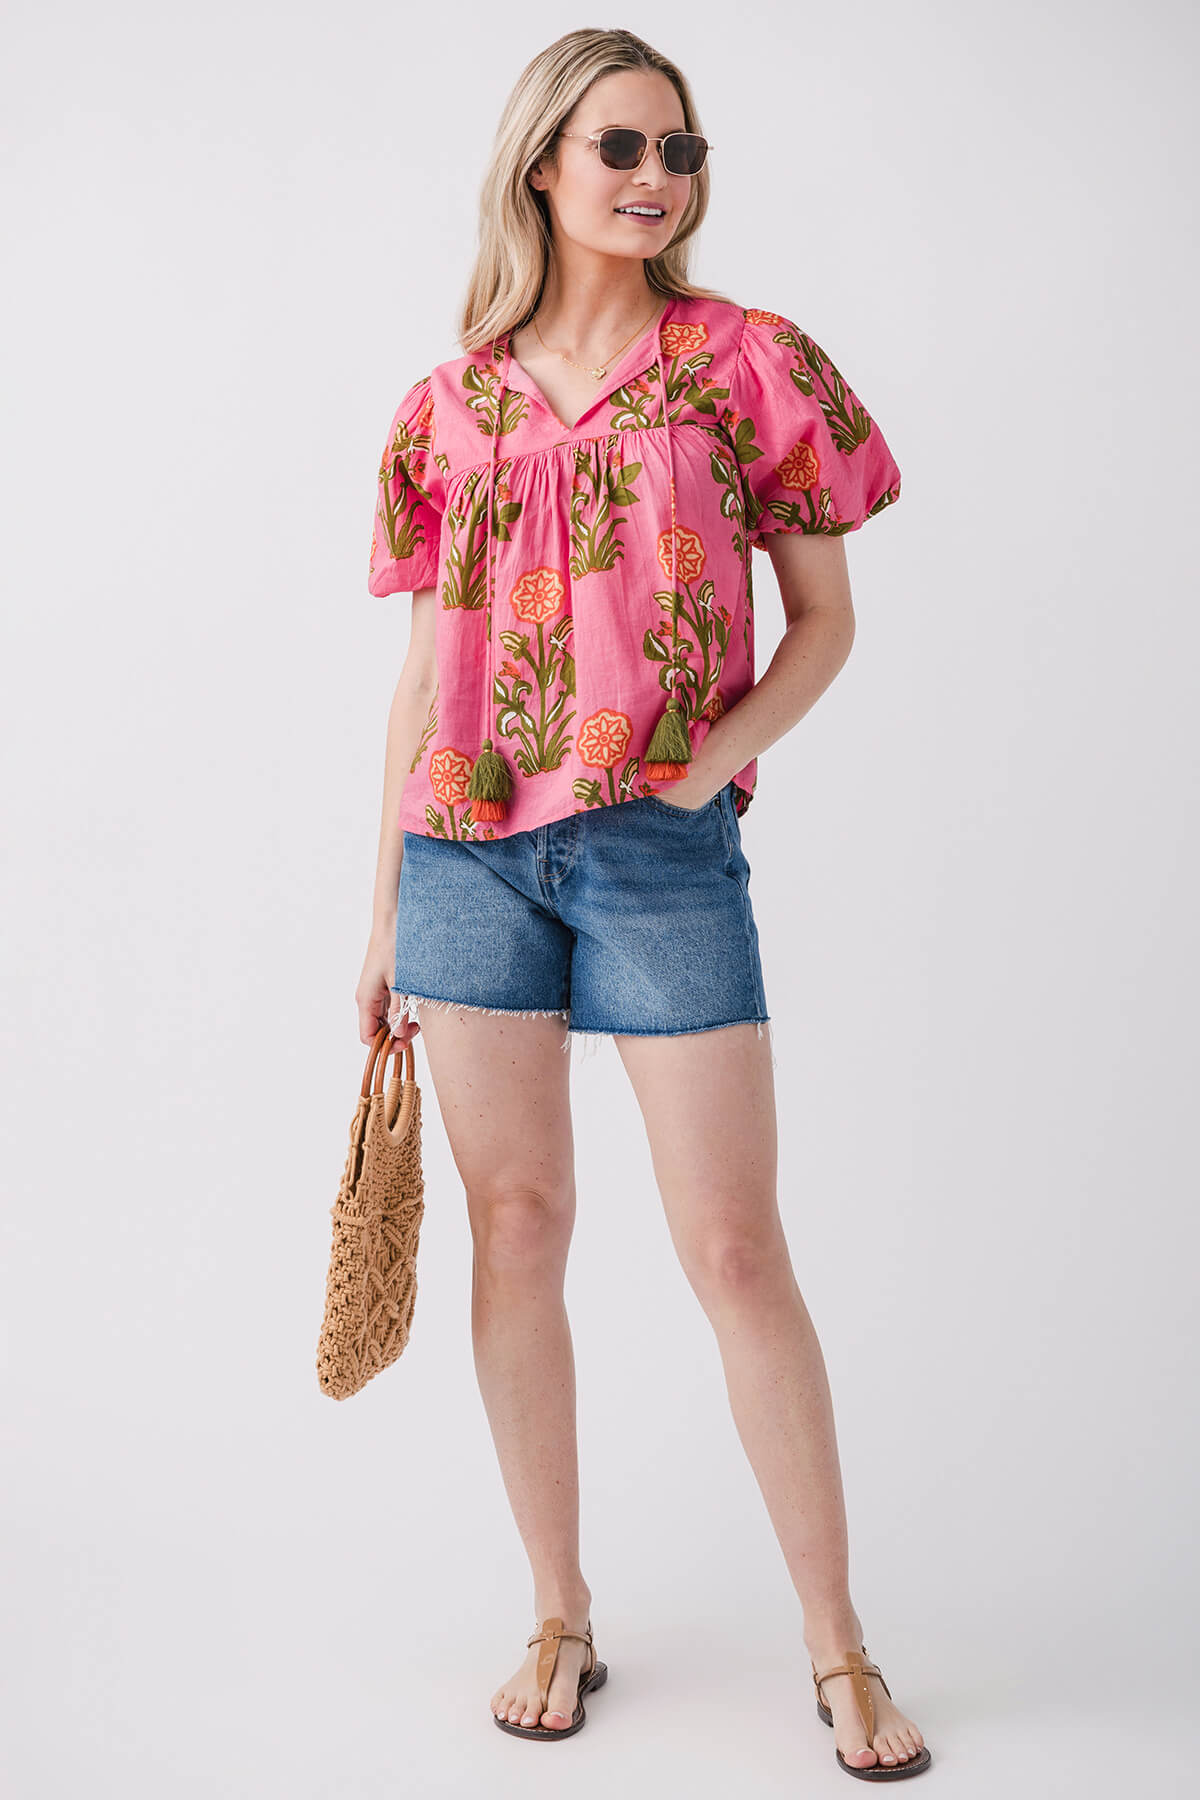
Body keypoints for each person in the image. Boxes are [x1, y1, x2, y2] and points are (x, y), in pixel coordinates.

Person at [354, 26, 928, 1780]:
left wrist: (705, 769)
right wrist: (379, 914)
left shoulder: (750, 363)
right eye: (620, 146)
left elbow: (825, 622)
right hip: (465, 857)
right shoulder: (449, 404)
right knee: (516, 1227)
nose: (655, 178)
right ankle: (559, 1610)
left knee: (735, 1249)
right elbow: (426, 671)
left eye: (679, 150)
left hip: (659, 854)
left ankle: (837, 1644)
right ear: (543, 161)